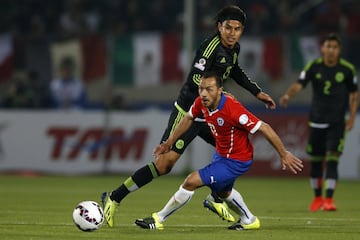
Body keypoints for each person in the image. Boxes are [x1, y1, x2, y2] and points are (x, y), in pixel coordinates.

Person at [102, 5, 277, 227]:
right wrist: (217, 94)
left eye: (238, 29)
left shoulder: (233, 49)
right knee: (164, 165)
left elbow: (235, 71)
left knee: (234, 155)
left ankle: (216, 198)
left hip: (211, 115)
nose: (232, 33)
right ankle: (114, 197)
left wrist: (257, 92)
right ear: (219, 27)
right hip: (190, 112)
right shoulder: (209, 48)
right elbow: (196, 79)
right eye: (228, 28)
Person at [134, 71, 303, 230]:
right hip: (222, 155)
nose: (204, 93)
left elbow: (264, 127)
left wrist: (283, 153)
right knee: (223, 192)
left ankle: (158, 219)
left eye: (209, 89)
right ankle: (249, 220)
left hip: (236, 160)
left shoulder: (232, 109)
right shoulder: (201, 102)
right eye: (201, 88)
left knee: (191, 181)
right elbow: (188, 118)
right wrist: (168, 142)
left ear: (220, 90)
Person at [279, 33, 358, 212]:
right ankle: (317, 198)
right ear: (322, 49)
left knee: (332, 159)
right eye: (328, 47)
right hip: (316, 121)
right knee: (315, 161)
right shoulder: (313, 66)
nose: (331, 50)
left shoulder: (347, 69)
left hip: (337, 122)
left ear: (339, 50)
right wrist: (287, 95)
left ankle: (329, 199)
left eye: (334, 47)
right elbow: (300, 84)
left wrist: (352, 117)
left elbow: (354, 94)